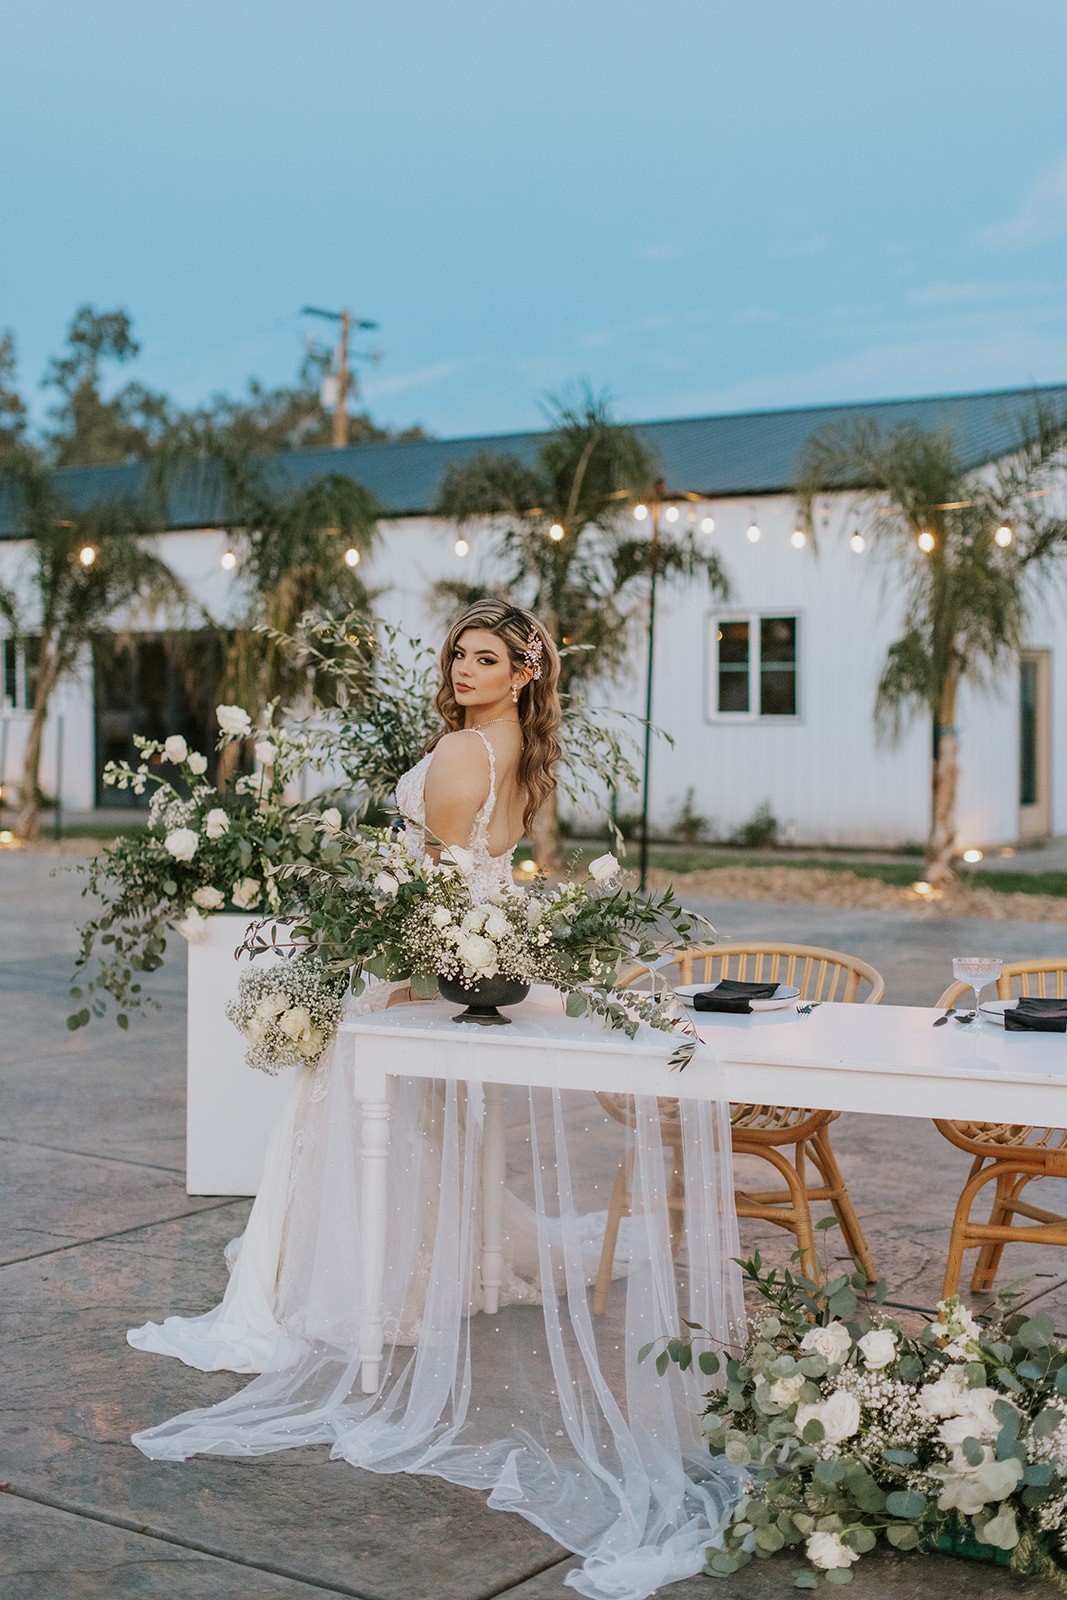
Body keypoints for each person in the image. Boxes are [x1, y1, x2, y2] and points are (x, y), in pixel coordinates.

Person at [127, 602, 744, 1600]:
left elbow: (435, 885)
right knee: (427, 1126)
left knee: (351, 1109)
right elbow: (481, 874)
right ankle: (425, 1267)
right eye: (459, 653)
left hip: (432, 957)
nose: (463, 669)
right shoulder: (518, 752)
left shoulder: (463, 750)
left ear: (523, 673)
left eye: (485, 658)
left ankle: (366, 1284)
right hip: (469, 950)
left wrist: (397, 973)